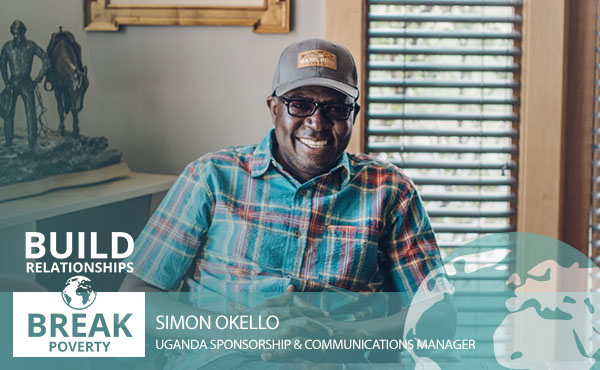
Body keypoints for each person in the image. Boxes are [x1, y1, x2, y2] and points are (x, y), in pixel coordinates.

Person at [121, 38, 454, 367]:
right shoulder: (210, 177)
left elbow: (438, 314)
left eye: (336, 108)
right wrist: (239, 332)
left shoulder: (390, 191)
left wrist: (341, 336)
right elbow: (135, 297)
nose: (317, 122)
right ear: (274, 108)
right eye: (300, 104)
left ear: (353, 114)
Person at [0, 20, 49, 147]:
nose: (18, 36)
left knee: (31, 112)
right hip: (12, 82)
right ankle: (9, 141)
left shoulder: (31, 46)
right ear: (12, 33)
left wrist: (38, 79)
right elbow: (2, 64)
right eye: (16, 33)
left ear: (24, 32)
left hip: (27, 82)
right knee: (9, 113)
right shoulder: (7, 47)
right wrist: (6, 82)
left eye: (21, 32)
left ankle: (32, 142)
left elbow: (46, 59)